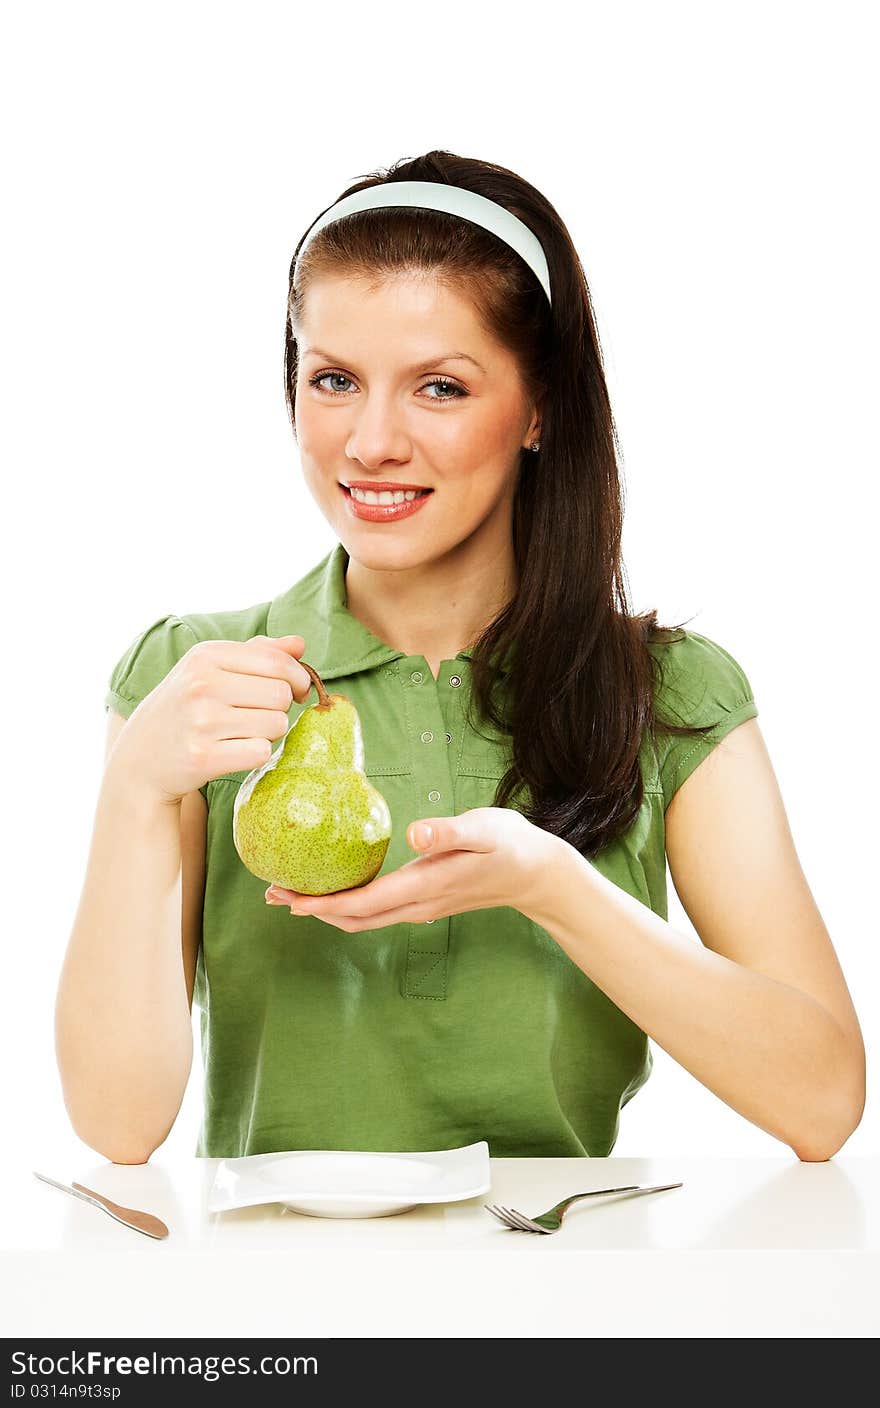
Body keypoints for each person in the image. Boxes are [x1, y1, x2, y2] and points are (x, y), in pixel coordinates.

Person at [55, 150, 865, 1165]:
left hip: (565, 1299)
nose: (371, 441)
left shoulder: (670, 693)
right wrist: (136, 787)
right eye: (334, 380)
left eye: (439, 387)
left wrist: (553, 887)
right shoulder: (196, 678)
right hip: (275, 1303)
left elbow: (822, 1099)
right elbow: (115, 1126)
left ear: (538, 410)